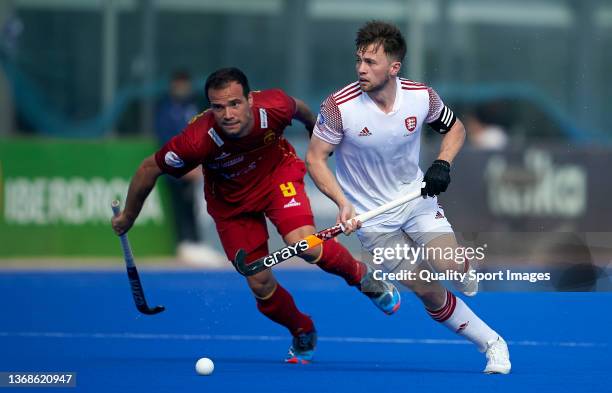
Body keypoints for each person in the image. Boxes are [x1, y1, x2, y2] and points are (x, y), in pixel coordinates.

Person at [112, 67, 401, 364]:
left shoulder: (273, 106)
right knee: (259, 282)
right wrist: (129, 217)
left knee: (307, 245)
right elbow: (150, 168)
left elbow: (299, 108)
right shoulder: (196, 140)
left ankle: (366, 280)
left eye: (235, 103)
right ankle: (301, 329)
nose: (227, 114)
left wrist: (317, 131)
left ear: (249, 100)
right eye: (218, 107)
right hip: (231, 205)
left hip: (278, 176)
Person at [306, 21, 511, 374]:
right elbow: (315, 158)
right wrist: (343, 203)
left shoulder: (421, 96)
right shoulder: (339, 106)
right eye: (359, 60)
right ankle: (492, 343)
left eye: (371, 62)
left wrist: (442, 163)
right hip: (372, 221)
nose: (361, 69)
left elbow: (456, 129)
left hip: (416, 201)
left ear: (394, 67)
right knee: (426, 288)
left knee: (448, 265)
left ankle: (463, 268)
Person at [155, 70, 224, 265]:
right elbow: (166, 139)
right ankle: (184, 244)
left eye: (185, 84)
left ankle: (195, 244)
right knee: (180, 208)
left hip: (194, 166)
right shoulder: (166, 109)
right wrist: (182, 166)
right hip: (176, 167)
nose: (182, 88)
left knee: (192, 207)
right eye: (179, 84)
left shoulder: (194, 106)